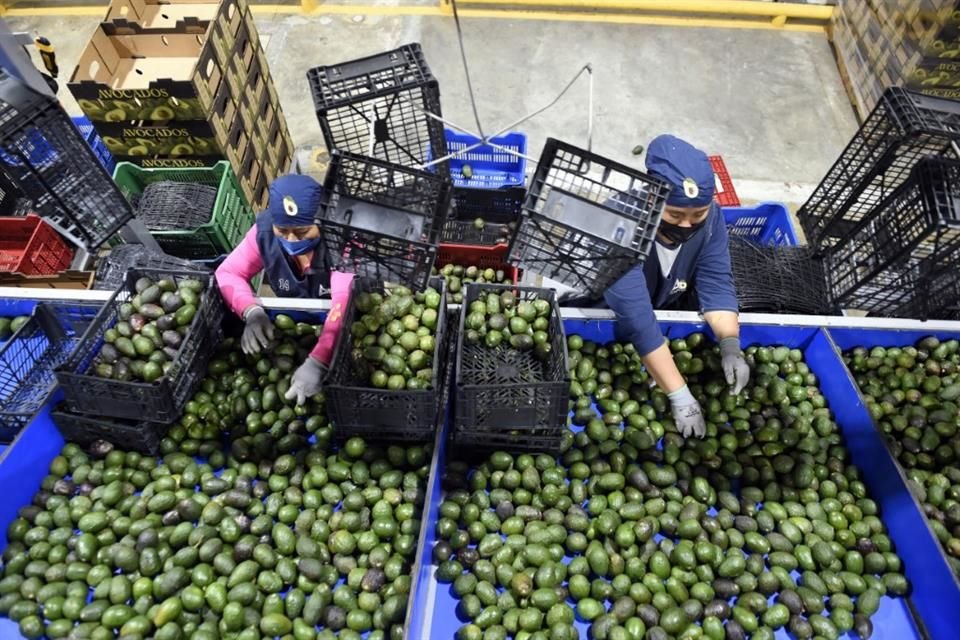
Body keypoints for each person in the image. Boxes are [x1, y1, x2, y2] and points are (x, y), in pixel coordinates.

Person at [605, 134, 750, 438]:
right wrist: (681, 396)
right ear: (651, 198)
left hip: (664, 305)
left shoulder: (710, 222)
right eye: (674, 215)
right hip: (610, 312)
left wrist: (729, 344)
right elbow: (638, 320)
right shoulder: (617, 222)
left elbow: (716, 280)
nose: (686, 225)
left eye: (697, 214)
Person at [216, 173, 352, 405]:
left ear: (322, 219)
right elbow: (228, 273)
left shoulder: (341, 242)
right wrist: (251, 312)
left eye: (302, 232)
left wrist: (319, 361)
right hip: (296, 322)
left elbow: (344, 303)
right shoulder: (265, 234)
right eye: (283, 230)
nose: (292, 239)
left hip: (338, 324)